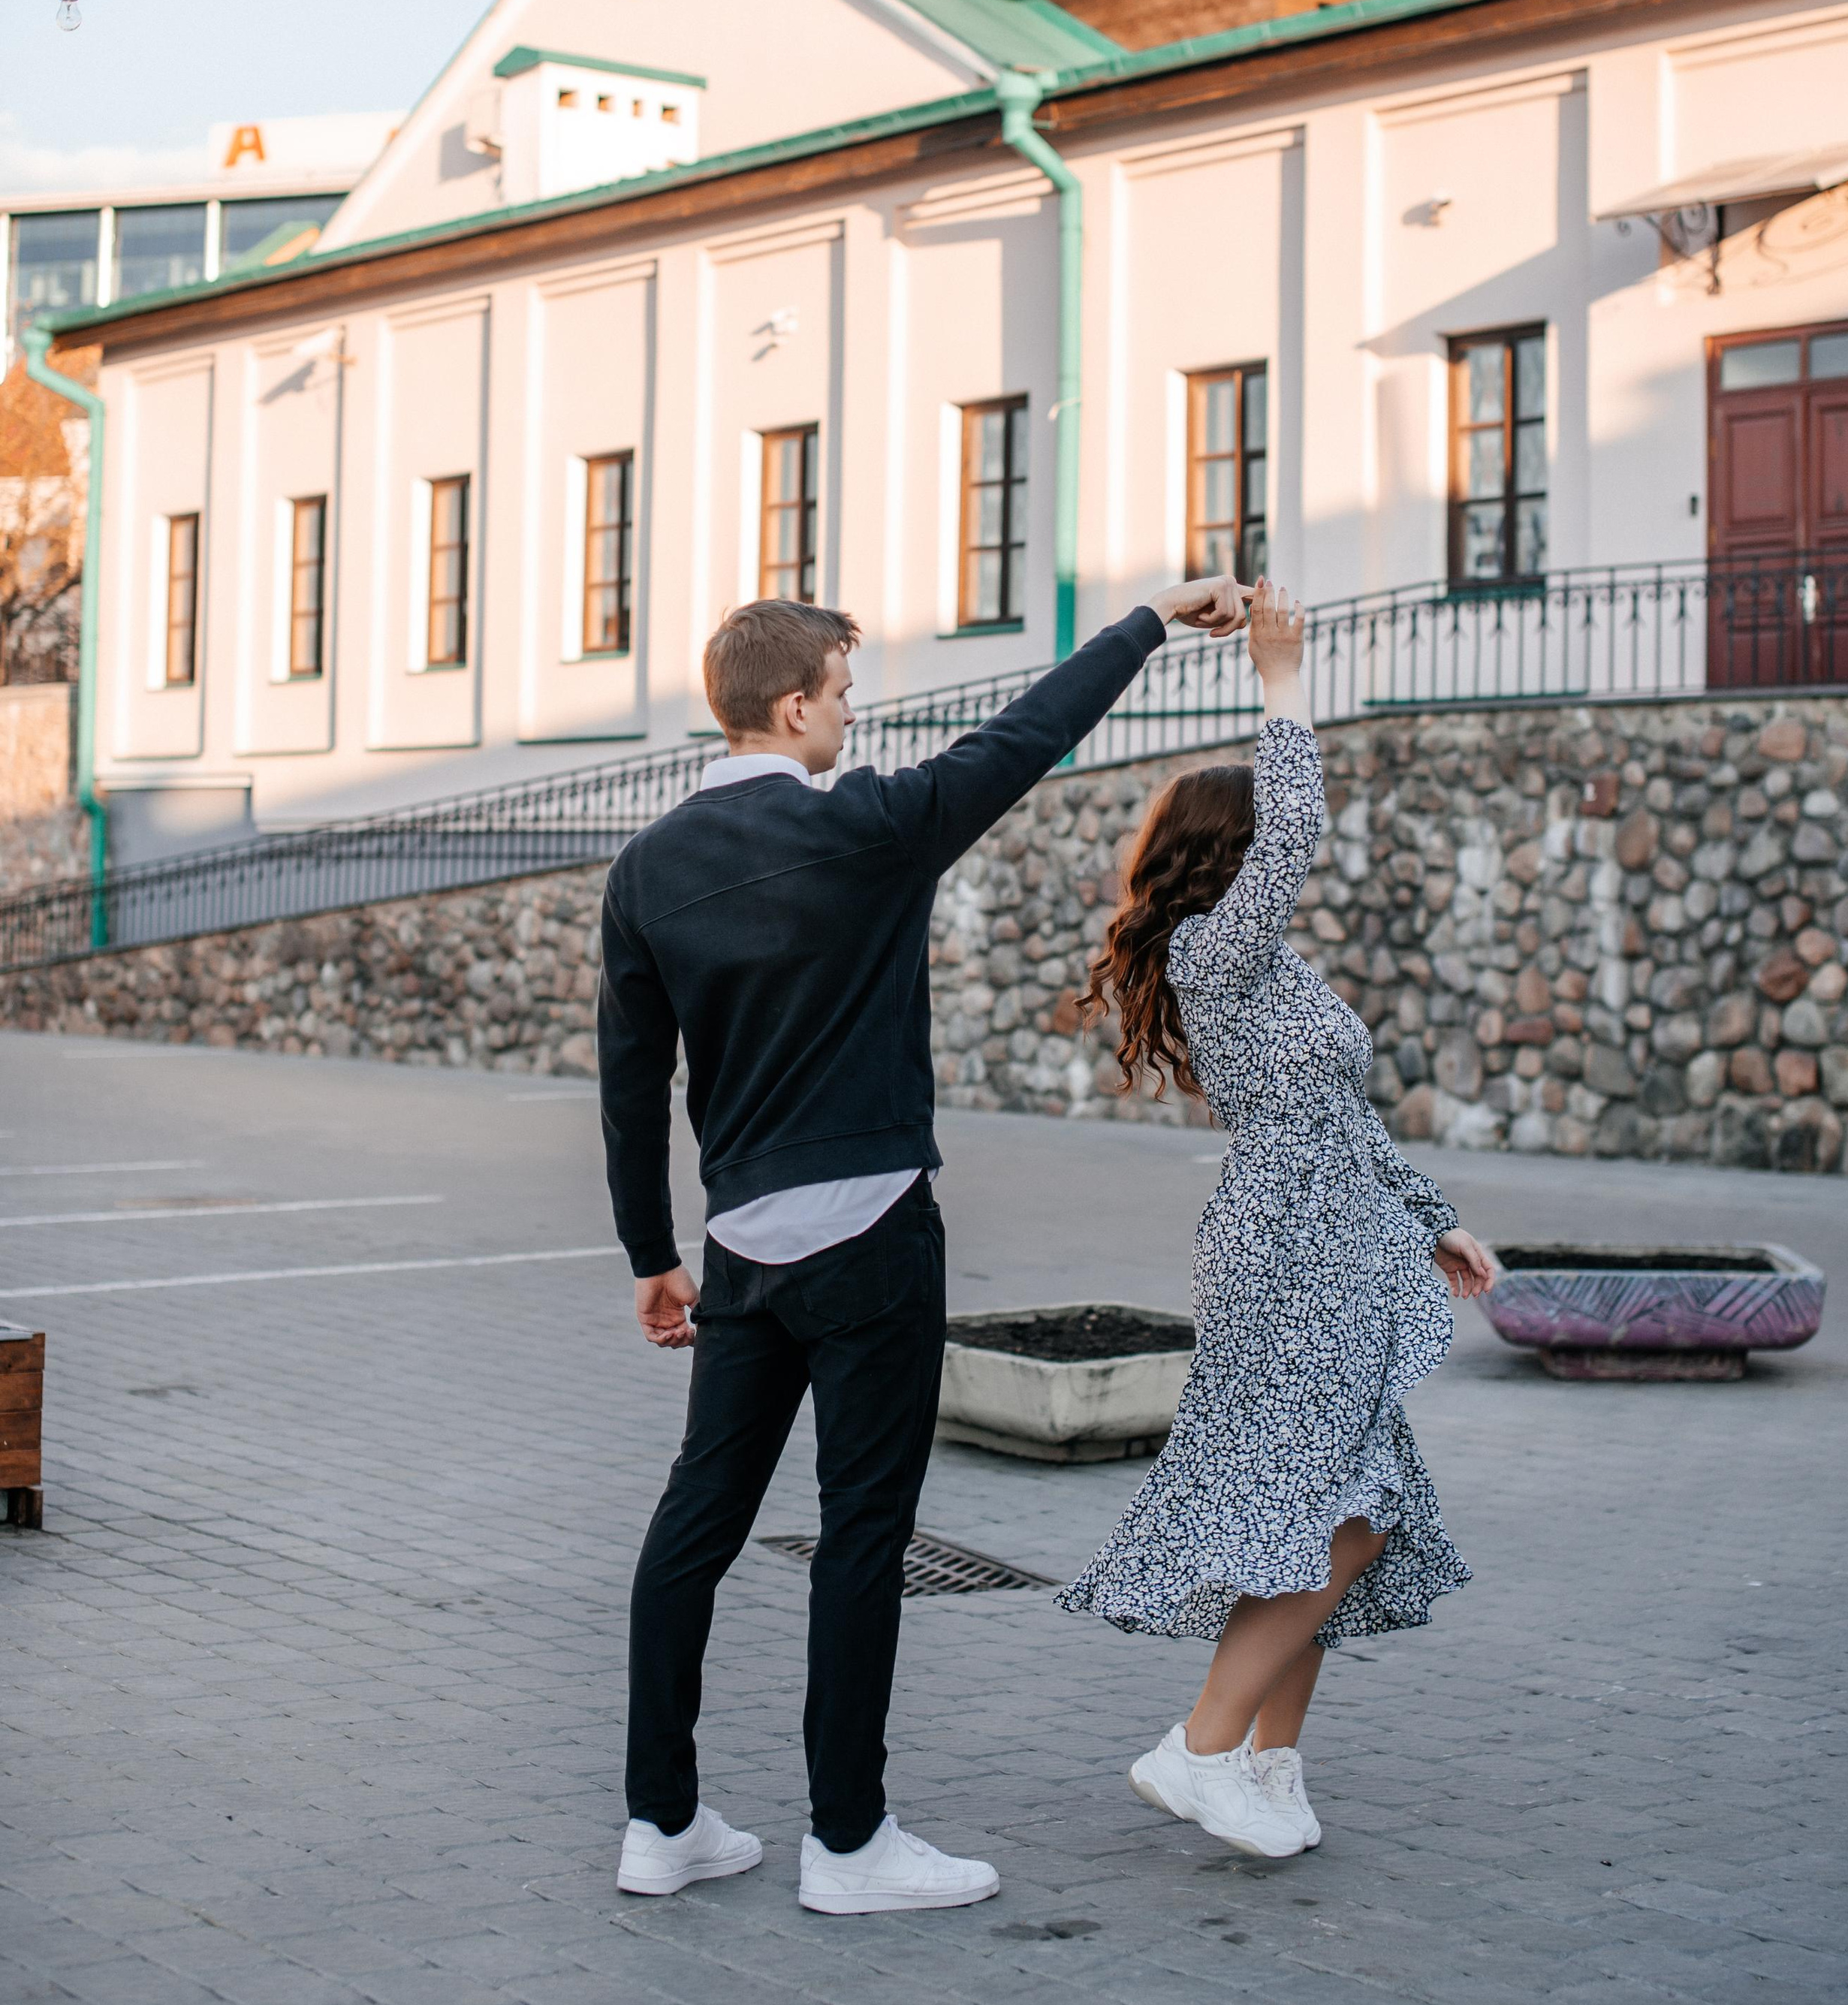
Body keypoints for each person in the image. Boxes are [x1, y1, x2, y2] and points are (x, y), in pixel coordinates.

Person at [598, 572, 1249, 1913]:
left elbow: (629, 1081)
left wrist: (651, 1253)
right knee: (862, 1532)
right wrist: (1148, 621)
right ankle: (847, 1844)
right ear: (793, 705)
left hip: (743, 1248)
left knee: (695, 1524)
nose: (853, 715)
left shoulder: (645, 870)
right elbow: (1027, 735)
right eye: (842, 693)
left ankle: (659, 1823)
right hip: (875, 1233)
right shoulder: (875, 826)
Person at [1058, 577, 1495, 1859]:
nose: (1277, 864)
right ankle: (1197, 1749)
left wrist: (1432, 1217)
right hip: (1290, 1251)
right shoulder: (1216, 952)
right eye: (1259, 846)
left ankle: (1267, 1765)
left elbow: (1340, 1114)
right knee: (1341, 1511)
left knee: (1323, 1515)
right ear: (1230, 854)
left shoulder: (1265, 967)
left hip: (1334, 1237)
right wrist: (1282, 677)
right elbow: (1298, 827)